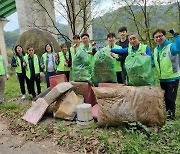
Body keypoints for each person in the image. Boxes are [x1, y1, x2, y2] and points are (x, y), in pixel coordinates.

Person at [153, 29, 180, 120]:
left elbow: (178, 47)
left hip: (172, 77)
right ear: (154, 39)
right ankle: (168, 114)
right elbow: (155, 63)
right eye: (156, 37)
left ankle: (171, 117)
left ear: (165, 36)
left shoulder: (170, 46)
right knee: (164, 98)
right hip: (162, 78)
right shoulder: (156, 49)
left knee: (170, 98)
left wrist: (176, 36)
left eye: (161, 36)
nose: (159, 38)